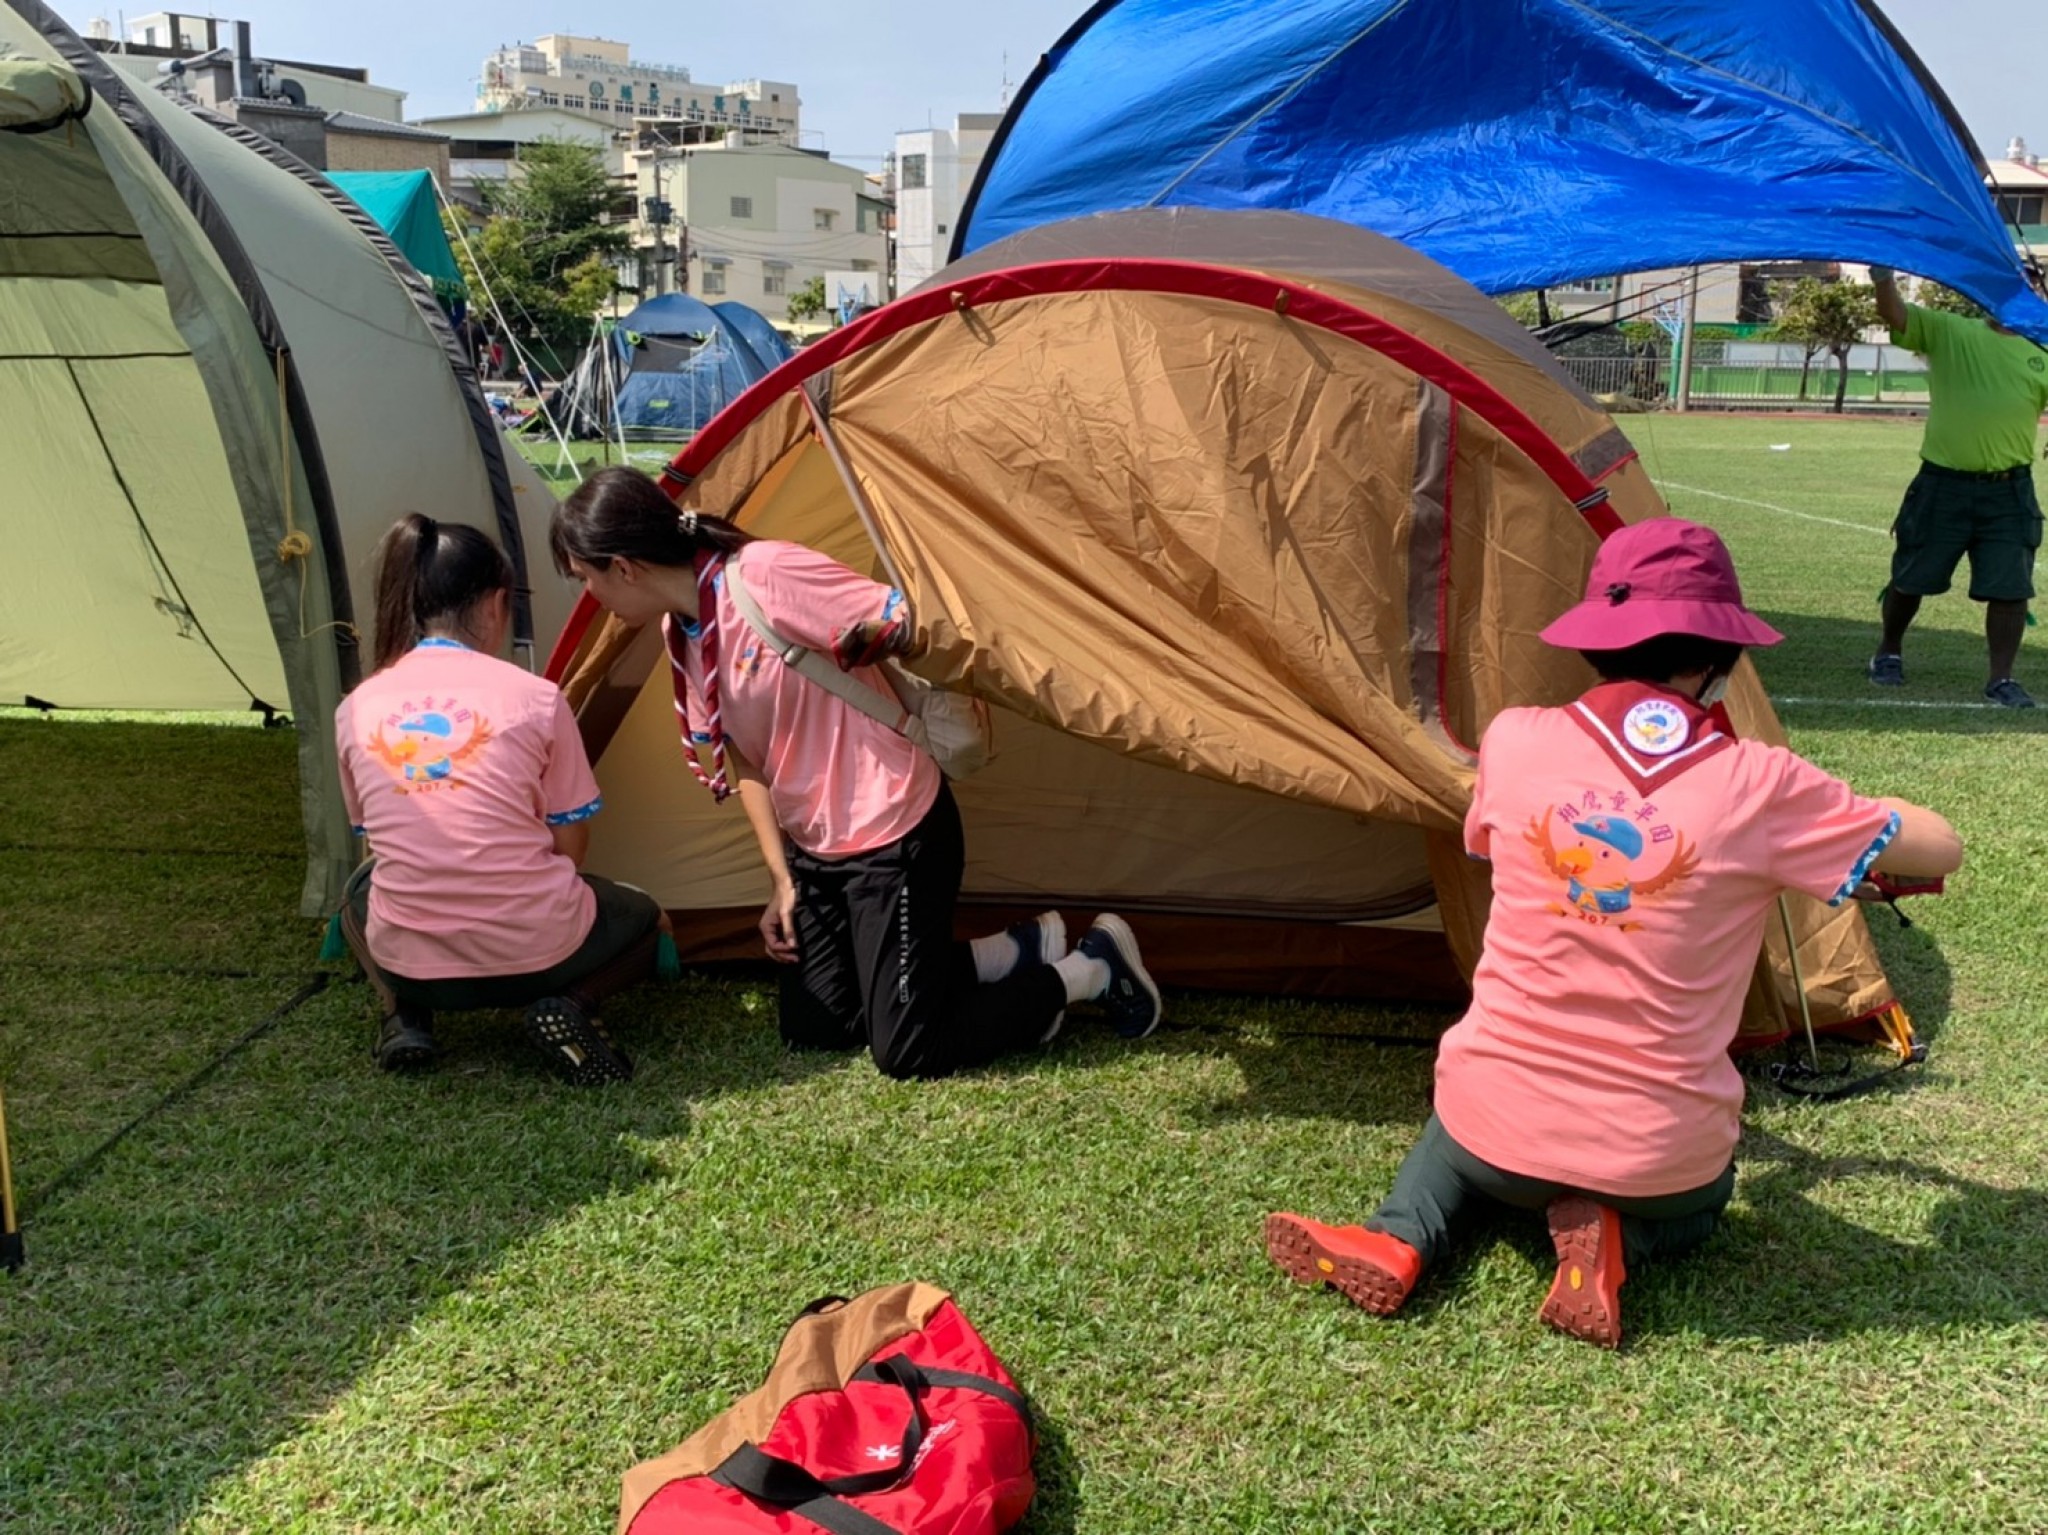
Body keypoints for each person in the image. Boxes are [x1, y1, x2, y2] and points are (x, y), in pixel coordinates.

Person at [1265, 519, 1963, 1348]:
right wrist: (1854, 814)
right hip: (1655, 1160)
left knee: (1453, 1137)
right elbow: (1940, 846)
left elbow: (1496, 841)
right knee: (1707, 1195)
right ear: (1718, 657)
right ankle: (1617, 1236)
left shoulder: (1516, 739)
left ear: (1597, 638)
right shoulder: (1763, 785)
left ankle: (1398, 1236)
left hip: (1491, 1128)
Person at [548, 466, 1163, 1080]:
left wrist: (872, 636)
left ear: (623, 567)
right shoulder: (682, 631)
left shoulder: (763, 575)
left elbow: (906, 621)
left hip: (892, 828)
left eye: (585, 579)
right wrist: (781, 879)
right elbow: (747, 758)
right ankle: (1013, 954)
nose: (590, 596)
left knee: (908, 1052)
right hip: (816, 847)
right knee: (816, 1024)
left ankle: (1091, 969)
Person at [334, 513, 664, 1084]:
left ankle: (404, 1017)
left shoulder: (356, 707)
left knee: (358, 896)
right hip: (541, 955)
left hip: (413, 965)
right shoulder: (537, 697)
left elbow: (375, 839)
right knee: (646, 919)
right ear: (494, 604)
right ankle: (572, 1002)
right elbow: (570, 837)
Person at [1867, 265, 2047, 709]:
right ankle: (1888, 651)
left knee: (2011, 587)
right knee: (1912, 577)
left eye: (2024, 284)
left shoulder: (2041, 348)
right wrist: (1882, 279)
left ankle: (2001, 680)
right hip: (1942, 485)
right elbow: (1895, 316)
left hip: (2010, 491)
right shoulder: (1950, 330)